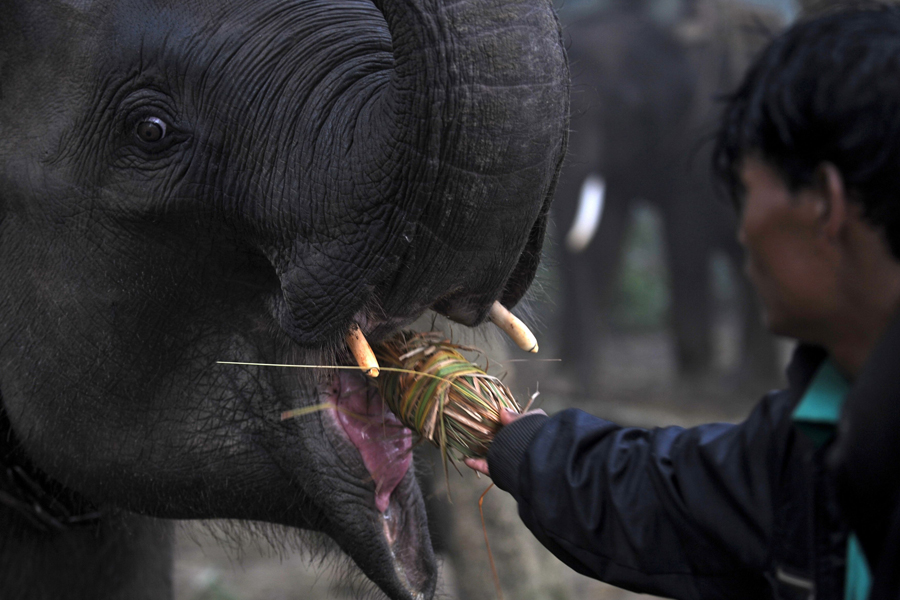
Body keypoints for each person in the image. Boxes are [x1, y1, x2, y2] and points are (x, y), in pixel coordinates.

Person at [465, 5, 900, 599]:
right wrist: (528, 448)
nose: (742, 230)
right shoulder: (826, 422)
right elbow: (680, 496)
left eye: (747, 191)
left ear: (825, 204)